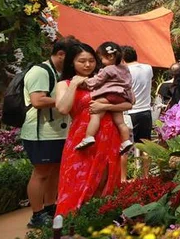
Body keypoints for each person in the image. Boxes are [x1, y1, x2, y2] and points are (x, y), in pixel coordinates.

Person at [54, 42, 130, 215]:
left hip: (109, 138)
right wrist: (74, 84)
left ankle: (101, 225)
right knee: (76, 183)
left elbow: (127, 103)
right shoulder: (64, 84)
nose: (88, 65)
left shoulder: (104, 80)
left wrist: (105, 108)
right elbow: (63, 109)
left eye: (91, 60)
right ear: (71, 62)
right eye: (82, 61)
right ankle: (71, 226)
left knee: (104, 183)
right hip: (82, 140)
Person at [21, 39, 70, 229]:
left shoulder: (58, 72)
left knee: (55, 171)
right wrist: (64, 99)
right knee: (41, 173)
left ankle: (50, 207)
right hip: (40, 133)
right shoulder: (40, 71)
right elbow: (38, 100)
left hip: (57, 132)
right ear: (61, 54)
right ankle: (36, 214)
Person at [74, 42, 134, 155]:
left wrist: (85, 81)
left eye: (101, 58)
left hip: (110, 95)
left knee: (95, 113)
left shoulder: (108, 69)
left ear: (110, 57)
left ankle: (89, 136)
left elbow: (97, 81)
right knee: (120, 122)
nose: (100, 61)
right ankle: (126, 141)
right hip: (122, 96)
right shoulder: (124, 68)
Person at [123, 45, 154, 144]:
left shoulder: (125, 72)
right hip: (146, 111)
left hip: (130, 112)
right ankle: (146, 160)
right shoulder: (148, 68)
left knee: (129, 145)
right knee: (145, 145)